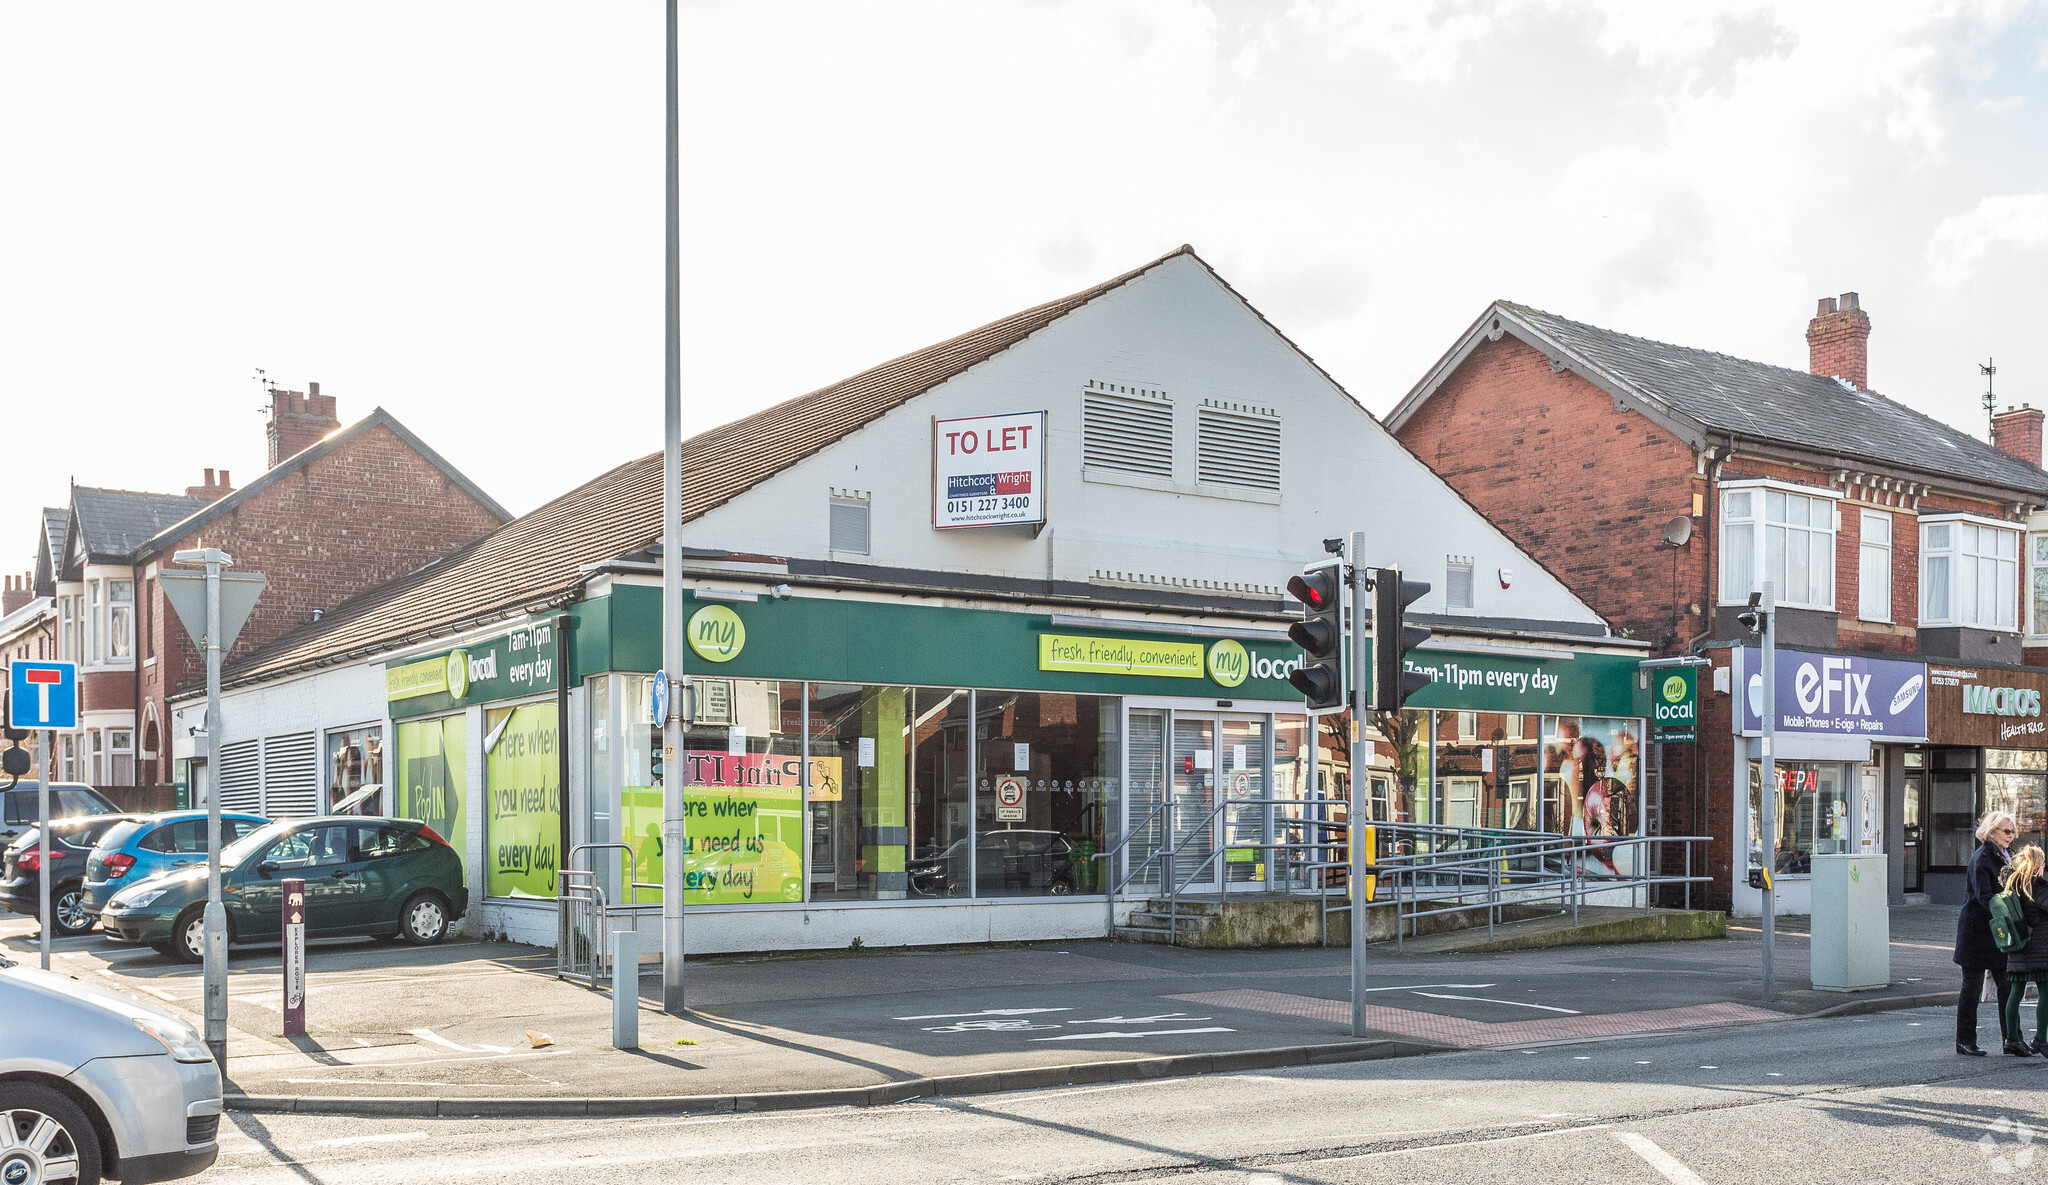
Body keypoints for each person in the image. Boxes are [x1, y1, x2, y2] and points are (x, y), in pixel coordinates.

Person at [1955, 810, 2020, 1055]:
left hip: (1997, 932)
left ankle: (2012, 1039)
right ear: (1991, 832)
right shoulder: (1983, 858)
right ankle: (1965, 1040)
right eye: (2006, 831)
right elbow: (1985, 897)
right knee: (1971, 987)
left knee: (2007, 986)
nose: (2010, 836)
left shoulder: (2005, 855)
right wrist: (2009, 913)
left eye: (2013, 831)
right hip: (1977, 931)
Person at [2005, 844, 2048, 1057]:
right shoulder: (2037, 887)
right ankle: (2041, 1039)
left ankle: (2011, 1038)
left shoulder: (2012, 884)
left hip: (2017, 946)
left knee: (2015, 993)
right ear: (2038, 864)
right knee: (2046, 993)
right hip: (2039, 949)